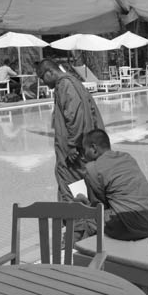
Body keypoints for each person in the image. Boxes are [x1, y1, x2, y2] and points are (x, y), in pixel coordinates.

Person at [36, 59, 105, 202]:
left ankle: (76, 221)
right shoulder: (69, 83)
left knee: (71, 185)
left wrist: (73, 144)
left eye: (43, 78)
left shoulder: (65, 85)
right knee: (80, 185)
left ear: (50, 72)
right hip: (75, 149)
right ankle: (81, 219)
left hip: (73, 151)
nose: (44, 83)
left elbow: (75, 115)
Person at [75, 129, 148, 241]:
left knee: (84, 215)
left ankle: (77, 246)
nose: (83, 156)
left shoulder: (92, 168)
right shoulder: (127, 157)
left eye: (84, 150)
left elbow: (98, 208)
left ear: (93, 148)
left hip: (131, 227)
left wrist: (84, 203)